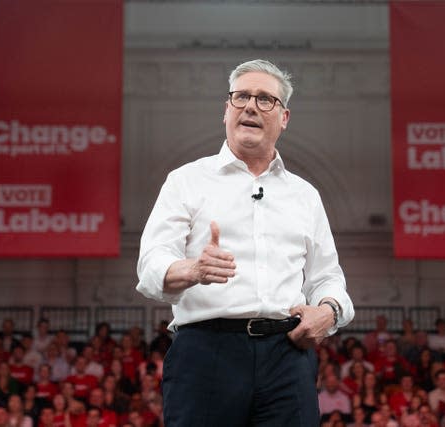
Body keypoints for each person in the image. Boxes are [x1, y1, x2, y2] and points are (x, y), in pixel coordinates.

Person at [135, 58, 355, 426]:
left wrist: (328, 312)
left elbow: (328, 278)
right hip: (206, 352)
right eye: (241, 97)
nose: (251, 106)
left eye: (265, 99)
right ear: (226, 110)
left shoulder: (305, 195)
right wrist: (193, 269)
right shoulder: (185, 181)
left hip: (287, 356)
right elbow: (151, 265)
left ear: (284, 118)